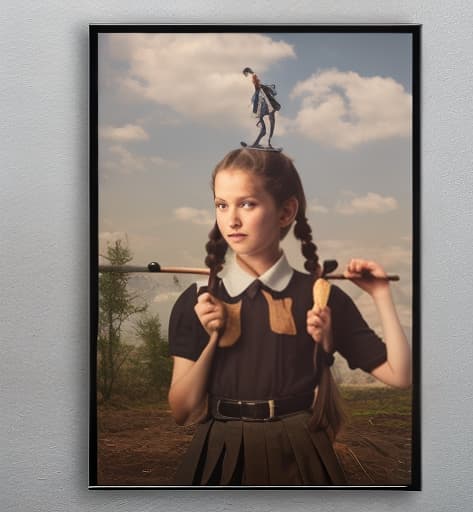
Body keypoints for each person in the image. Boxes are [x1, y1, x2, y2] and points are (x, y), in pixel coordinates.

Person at [168, 148, 411, 486]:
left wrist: (381, 295)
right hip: (218, 454)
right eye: (222, 205)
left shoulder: (322, 296)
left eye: (247, 203)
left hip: (299, 452)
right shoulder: (198, 299)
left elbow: (400, 375)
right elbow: (181, 411)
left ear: (286, 212)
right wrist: (213, 338)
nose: (231, 219)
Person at [243, 67, 281, 148]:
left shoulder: (263, 88)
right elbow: (256, 81)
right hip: (264, 108)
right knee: (264, 128)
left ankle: (268, 142)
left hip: (269, 106)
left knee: (271, 122)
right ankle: (257, 143)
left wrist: (251, 72)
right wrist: (251, 72)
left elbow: (271, 92)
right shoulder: (258, 90)